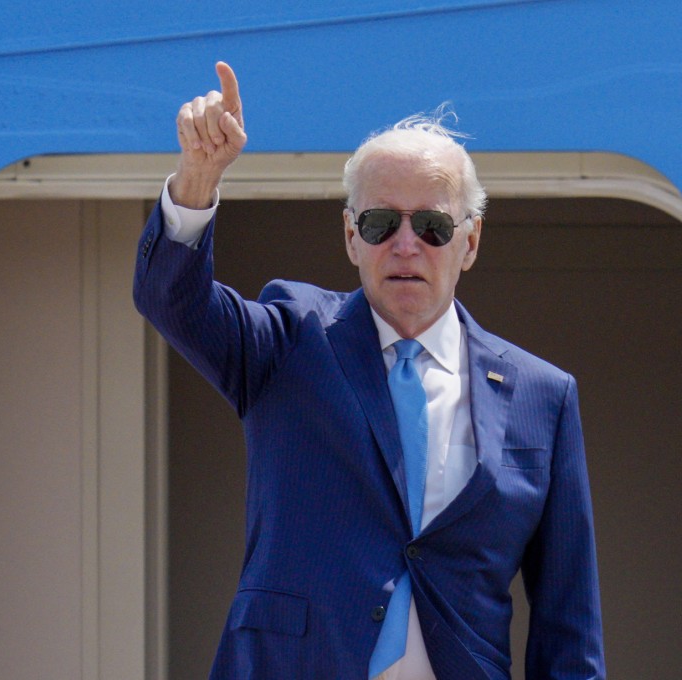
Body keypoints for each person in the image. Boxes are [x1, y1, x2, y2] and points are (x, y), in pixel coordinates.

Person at [134, 62, 605, 679]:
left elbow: (568, 630)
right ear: (352, 237)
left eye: (433, 226)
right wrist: (197, 178)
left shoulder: (542, 398)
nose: (405, 246)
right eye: (382, 224)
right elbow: (173, 300)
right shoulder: (292, 338)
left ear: (470, 242)